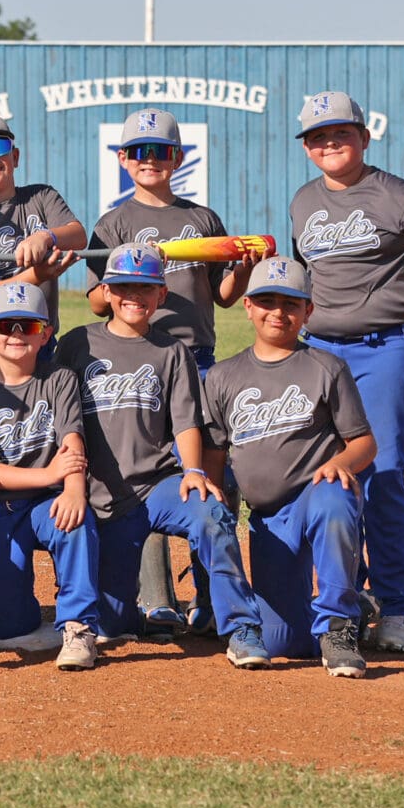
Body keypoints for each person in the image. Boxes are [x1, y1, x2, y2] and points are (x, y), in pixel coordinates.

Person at [288, 91, 404, 654]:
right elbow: (307, 274)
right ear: (306, 147)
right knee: (327, 473)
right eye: (318, 137)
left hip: (383, 350)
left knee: (384, 473)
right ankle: (348, 597)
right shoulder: (303, 201)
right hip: (319, 350)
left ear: (364, 137)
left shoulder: (397, 195)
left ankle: (399, 605)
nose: (330, 143)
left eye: (340, 133)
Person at [83, 108, 261, 634]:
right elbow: (97, 302)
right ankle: (156, 598)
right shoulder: (112, 224)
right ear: (123, 160)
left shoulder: (201, 220)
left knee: (210, 474)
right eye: (138, 152)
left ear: (177, 158)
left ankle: (210, 600)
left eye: (160, 152)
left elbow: (224, 296)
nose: (149, 161)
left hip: (194, 359)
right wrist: (139, 265)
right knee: (143, 474)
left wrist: (244, 268)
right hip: (134, 361)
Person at [54, 244, 272, 668]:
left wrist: (193, 470)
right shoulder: (78, 343)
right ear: (106, 292)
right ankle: (134, 611)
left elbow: (186, 422)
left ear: (161, 296)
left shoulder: (171, 352)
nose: (133, 296)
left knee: (212, 512)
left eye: (145, 288)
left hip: (157, 483)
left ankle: (241, 626)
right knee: (114, 624)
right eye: (123, 287)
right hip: (101, 494)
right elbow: (61, 417)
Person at [201, 257, 376, 677]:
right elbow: (215, 453)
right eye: (266, 301)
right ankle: (359, 603)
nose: (278, 312)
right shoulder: (224, 376)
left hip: (316, 496)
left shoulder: (326, 368)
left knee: (335, 500)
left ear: (308, 311)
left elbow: (364, 442)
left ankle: (338, 624)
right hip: (268, 519)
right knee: (284, 643)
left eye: (291, 303)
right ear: (247, 306)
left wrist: (340, 463)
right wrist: (214, 495)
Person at [0, 282, 100, 671]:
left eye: (29, 326)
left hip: (45, 504)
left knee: (75, 520)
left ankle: (78, 624)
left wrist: (73, 490)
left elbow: (72, 439)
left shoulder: (60, 380)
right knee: (10, 628)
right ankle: (0, 601)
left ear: (47, 333)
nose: (17, 335)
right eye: (6, 326)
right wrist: (51, 473)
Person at [0, 111, 85, 427]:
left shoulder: (41, 197)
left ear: (16, 155)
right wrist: (38, 275)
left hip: (38, 335)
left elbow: (77, 234)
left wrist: (46, 235)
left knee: (41, 427)